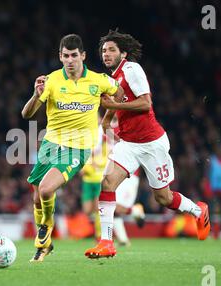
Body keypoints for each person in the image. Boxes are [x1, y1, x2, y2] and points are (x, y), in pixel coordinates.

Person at [85, 29, 210, 259]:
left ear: (123, 53)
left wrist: (115, 107)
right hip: (129, 144)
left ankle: (197, 210)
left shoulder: (132, 69)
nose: (106, 54)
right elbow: (116, 103)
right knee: (107, 183)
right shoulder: (113, 79)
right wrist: (106, 120)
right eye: (103, 50)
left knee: (163, 198)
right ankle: (106, 242)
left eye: (111, 49)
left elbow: (145, 103)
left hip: (152, 144)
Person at [21, 34, 123, 262]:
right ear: (60, 57)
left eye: (74, 56)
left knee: (47, 189)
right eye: (65, 56)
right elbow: (26, 114)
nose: (70, 60)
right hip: (51, 144)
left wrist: (108, 117)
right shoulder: (51, 81)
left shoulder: (98, 81)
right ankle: (45, 244)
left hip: (78, 147)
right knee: (37, 196)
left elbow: (119, 91)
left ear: (83, 56)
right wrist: (35, 96)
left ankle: (45, 228)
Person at [81, 119, 145, 246]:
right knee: (109, 205)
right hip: (113, 171)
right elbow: (95, 148)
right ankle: (123, 240)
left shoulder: (129, 125)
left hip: (130, 172)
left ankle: (135, 211)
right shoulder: (104, 129)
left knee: (112, 206)